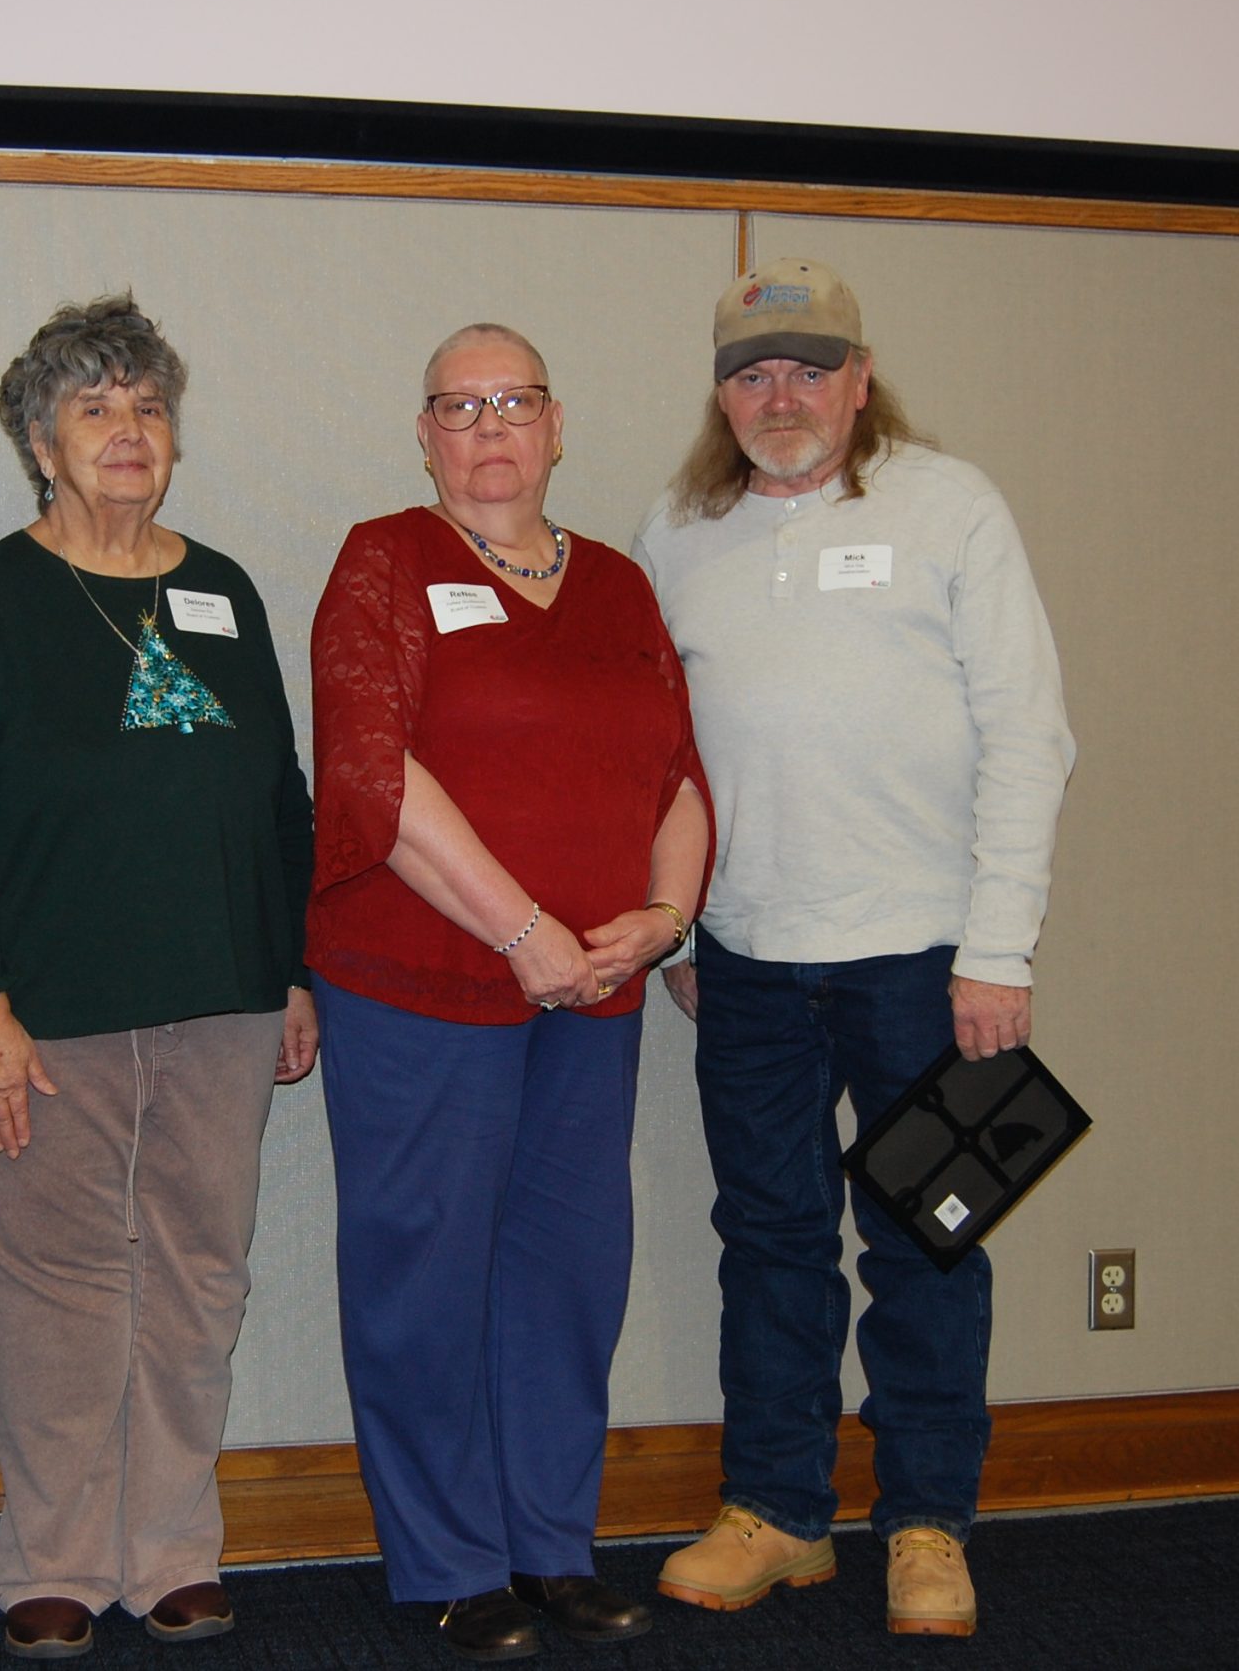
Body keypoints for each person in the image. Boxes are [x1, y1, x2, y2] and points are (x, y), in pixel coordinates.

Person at [633, 258, 1076, 1638]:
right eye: (755, 371)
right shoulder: (678, 528)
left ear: (860, 376)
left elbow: (1031, 735)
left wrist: (997, 948)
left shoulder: (951, 505)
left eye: (810, 367)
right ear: (721, 390)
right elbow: (656, 761)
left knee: (930, 1242)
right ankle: (776, 1508)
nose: (784, 394)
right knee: (768, 1239)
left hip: (929, 962)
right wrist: (683, 933)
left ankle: (929, 1521)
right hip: (749, 966)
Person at [0, 294, 318, 1661]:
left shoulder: (226, 589)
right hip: (43, 1020)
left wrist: (292, 966)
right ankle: (57, 1556)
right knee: (57, 1296)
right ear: (39, 439)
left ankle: (172, 1551)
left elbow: (280, 799)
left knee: (200, 1279)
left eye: (146, 406)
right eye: (95, 408)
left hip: (224, 1003)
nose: (127, 431)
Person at [308, 323, 712, 1663]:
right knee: (424, 1272)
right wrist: (526, 926)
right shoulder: (385, 562)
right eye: (458, 405)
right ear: (424, 436)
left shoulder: (616, 584)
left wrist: (660, 920)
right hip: (421, 986)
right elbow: (373, 775)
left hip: (594, 996)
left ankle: (550, 1545)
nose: (489, 426)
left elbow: (682, 780)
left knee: (567, 1275)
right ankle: (445, 1556)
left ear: (556, 426)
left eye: (514, 401)